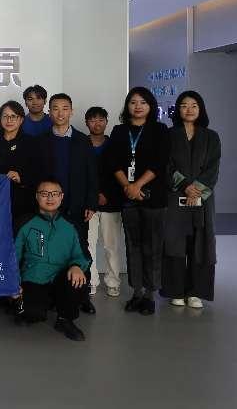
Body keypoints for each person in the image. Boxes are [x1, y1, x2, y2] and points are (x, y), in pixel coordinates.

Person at [105, 87, 169, 316]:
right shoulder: (119, 131)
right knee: (133, 245)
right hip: (128, 196)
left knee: (153, 245)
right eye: (133, 102)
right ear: (127, 106)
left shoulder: (160, 130)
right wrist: (128, 187)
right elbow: (113, 162)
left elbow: (160, 162)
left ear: (150, 106)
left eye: (143, 102)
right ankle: (137, 292)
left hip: (153, 197)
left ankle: (150, 295)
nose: (138, 106)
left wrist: (137, 185)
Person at [37, 93, 98, 315]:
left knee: (80, 249)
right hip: (49, 207)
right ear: (49, 112)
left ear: (71, 111)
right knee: (50, 250)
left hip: (76, 206)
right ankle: (54, 294)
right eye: (55, 108)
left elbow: (92, 174)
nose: (60, 113)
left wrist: (91, 202)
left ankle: (82, 296)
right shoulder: (41, 140)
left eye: (65, 108)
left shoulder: (82, 140)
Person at [161, 91, 220, 309]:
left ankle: (196, 292)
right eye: (184, 105)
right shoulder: (169, 135)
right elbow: (166, 166)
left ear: (200, 109)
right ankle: (176, 291)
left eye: (194, 105)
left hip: (202, 198)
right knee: (174, 243)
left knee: (201, 243)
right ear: (178, 110)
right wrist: (184, 185)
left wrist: (197, 189)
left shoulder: (211, 136)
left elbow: (213, 167)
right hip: (176, 196)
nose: (189, 109)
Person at [0, 99, 42, 313]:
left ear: (21, 119)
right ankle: (0, 294)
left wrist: (22, 176)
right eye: (5, 116)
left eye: (13, 116)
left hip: (22, 205)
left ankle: (20, 294)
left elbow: (41, 173)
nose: (9, 120)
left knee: (20, 249)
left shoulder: (31, 143)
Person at [15, 178, 90, 341]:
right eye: (44, 194)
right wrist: (13, 283)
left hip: (61, 278)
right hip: (33, 278)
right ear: (37, 196)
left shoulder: (72, 225)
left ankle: (65, 319)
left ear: (61, 197)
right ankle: (41, 303)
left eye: (55, 194)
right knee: (30, 314)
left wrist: (76, 266)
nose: (50, 198)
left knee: (78, 278)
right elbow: (12, 257)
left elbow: (83, 255)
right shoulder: (24, 223)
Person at [84, 106, 123, 298]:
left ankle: (113, 282)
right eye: (92, 119)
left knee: (111, 246)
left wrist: (105, 193)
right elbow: (79, 174)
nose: (97, 123)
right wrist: (94, 195)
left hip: (111, 203)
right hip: (88, 204)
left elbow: (120, 173)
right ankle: (91, 281)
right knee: (88, 244)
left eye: (101, 119)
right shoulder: (80, 144)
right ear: (86, 123)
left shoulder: (115, 144)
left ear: (107, 121)